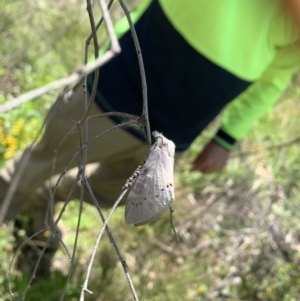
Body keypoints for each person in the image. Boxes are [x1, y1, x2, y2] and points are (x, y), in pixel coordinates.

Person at [1, 0, 300, 279]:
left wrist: (226, 138)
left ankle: (40, 199)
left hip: (173, 133)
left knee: (116, 193)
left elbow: (273, 81)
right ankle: (22, 208)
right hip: (113, 90)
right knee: (41, 162)